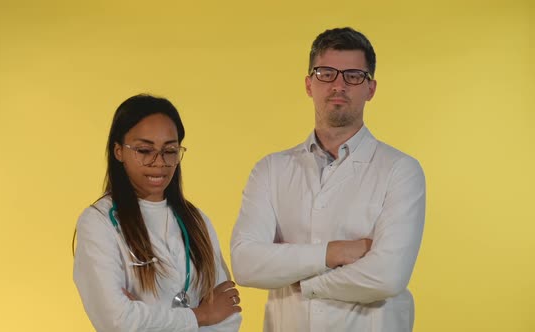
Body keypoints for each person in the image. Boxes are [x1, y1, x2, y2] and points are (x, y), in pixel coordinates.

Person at [230, 27, 426, 332]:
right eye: (326, 73)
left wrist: (297, 278)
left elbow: (388, 275)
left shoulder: (400, 170)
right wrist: (333, 252)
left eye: (353, 75)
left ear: (370, 89)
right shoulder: (271, 170)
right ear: (309, 84)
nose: (338, 85)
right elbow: (245, 264)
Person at [74, 94, 242, 331]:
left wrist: (148, 316)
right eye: (144, 150)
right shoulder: (98, 222)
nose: (159, 162)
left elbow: (228, 315)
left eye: (170, 150)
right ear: (118, 151)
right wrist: (200, 316)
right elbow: (118, 320)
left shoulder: (196, 220)